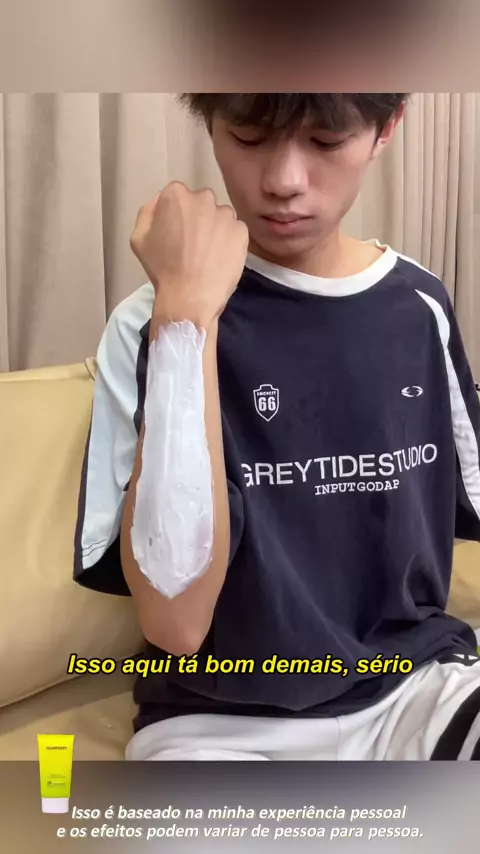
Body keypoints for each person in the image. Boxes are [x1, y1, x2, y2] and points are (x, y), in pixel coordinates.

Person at [74, 94, 480, 761]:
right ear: (211, 126)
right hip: (216, 725)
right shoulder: (148, 323)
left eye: (326, 142)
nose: (284, 180)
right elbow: (176, 620)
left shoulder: (419, 305)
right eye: (249, 136)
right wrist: (187, 316)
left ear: (386, 129)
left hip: (415, 690)